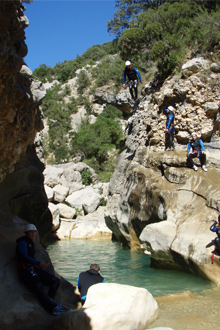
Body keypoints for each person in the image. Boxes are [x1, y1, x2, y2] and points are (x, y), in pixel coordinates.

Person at [16, 224, 68, 316]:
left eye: (34, 232)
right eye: (31, 232)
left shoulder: (30, 242)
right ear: (26, 233)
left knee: (55, 281)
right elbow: (24, 256)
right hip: (26, 270)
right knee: (38, 286)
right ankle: (53, 308)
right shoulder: (22, 242)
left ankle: (50, 301)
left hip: (33, 269)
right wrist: (38, 263)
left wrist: (38, 266)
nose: (33, 234)